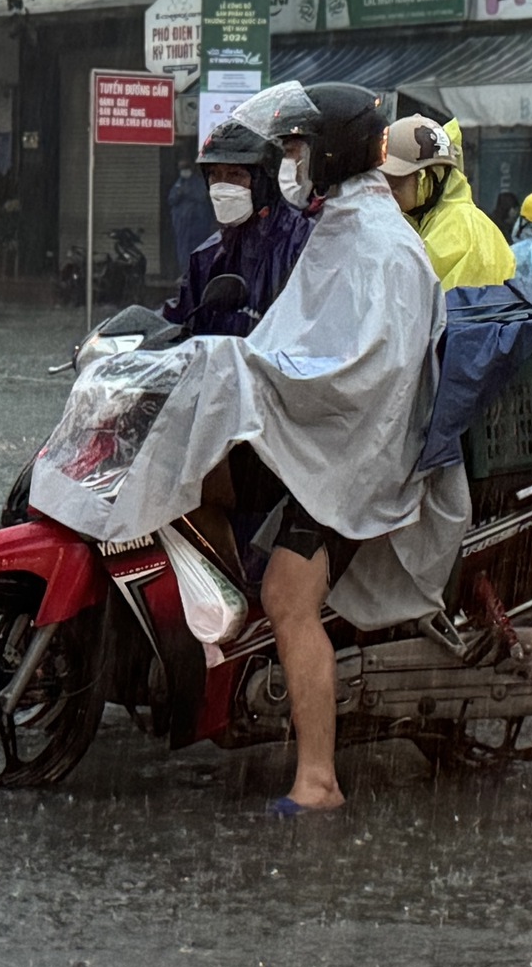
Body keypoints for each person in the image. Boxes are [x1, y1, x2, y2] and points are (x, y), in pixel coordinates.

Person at [29, 83, 467, 815]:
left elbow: (362, 372)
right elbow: (288, 337)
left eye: (296, 149)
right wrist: (213, 359)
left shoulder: (382, 247)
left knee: (288, 599)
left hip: (354, 454)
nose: (287, 162)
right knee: (194, 477)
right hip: (315, 433)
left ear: (329, 153)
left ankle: (319, 782)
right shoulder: (338, 226)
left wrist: (240, 367)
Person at [160, 120, 314, 337]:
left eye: (235, 175)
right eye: (214, 174)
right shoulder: (207, 256)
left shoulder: (303, 242)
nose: (222, 185)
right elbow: (180, 318)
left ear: (262, 181)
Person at [382, 114, 516, 289]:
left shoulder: (457, 230)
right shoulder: (434, 222)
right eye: (384, 179)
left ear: (429, 177)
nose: (389, 190)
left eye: (396, 180)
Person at [165, 159, 217, 282]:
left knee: (198, 248)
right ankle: (185, 272)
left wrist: (187, 192)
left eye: (185, 168)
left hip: (198, 223)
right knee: (183, 249)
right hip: (183, 225)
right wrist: (180, 193)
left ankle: (198, 273)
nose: (184, 171)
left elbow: (201, 196)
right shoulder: (179, 183)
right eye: (182, 169)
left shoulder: (198, 183)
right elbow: (171, 199)